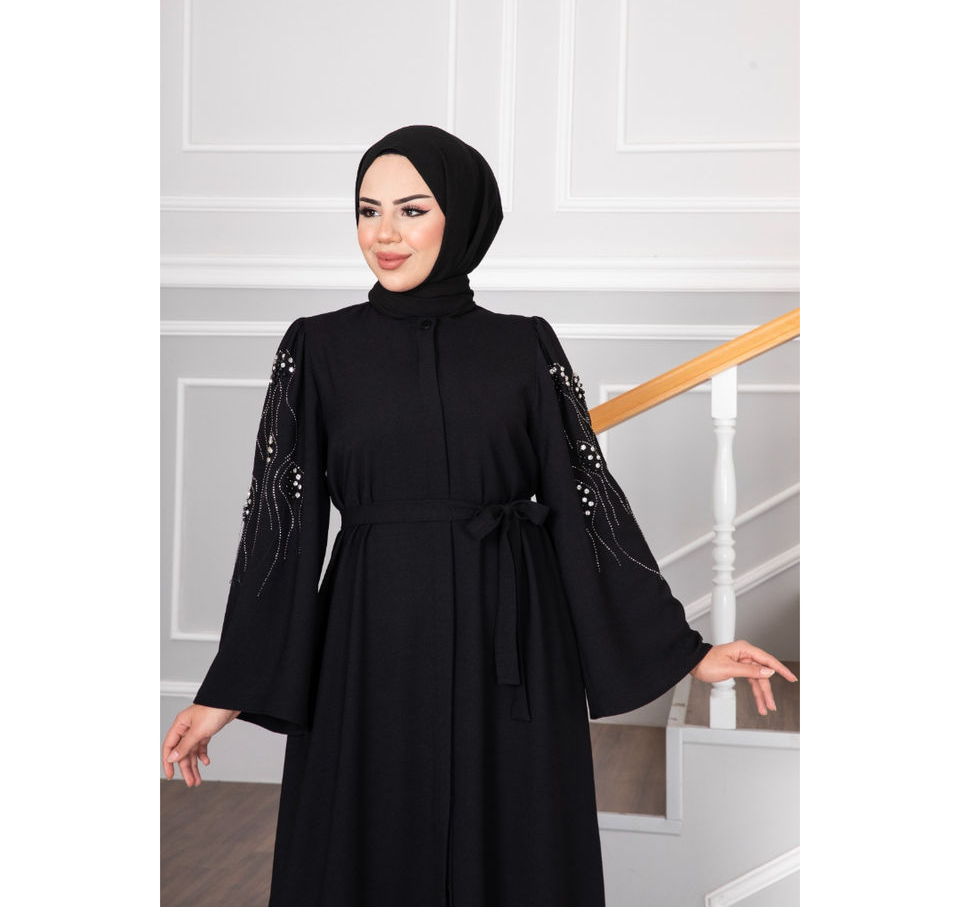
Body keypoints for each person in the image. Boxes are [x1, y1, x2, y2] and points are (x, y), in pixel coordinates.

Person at [161, 124, 797, 906]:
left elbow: (583, 504)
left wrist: (685, 652)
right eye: (367, 210)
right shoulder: (318, 349)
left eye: (411, 210)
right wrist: (228, 687)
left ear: (459, 218)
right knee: (371, 844)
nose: (384, 234)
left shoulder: (525, 348)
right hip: (371, 642)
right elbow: (278, 529)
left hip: (514, 641)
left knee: (512, 851)